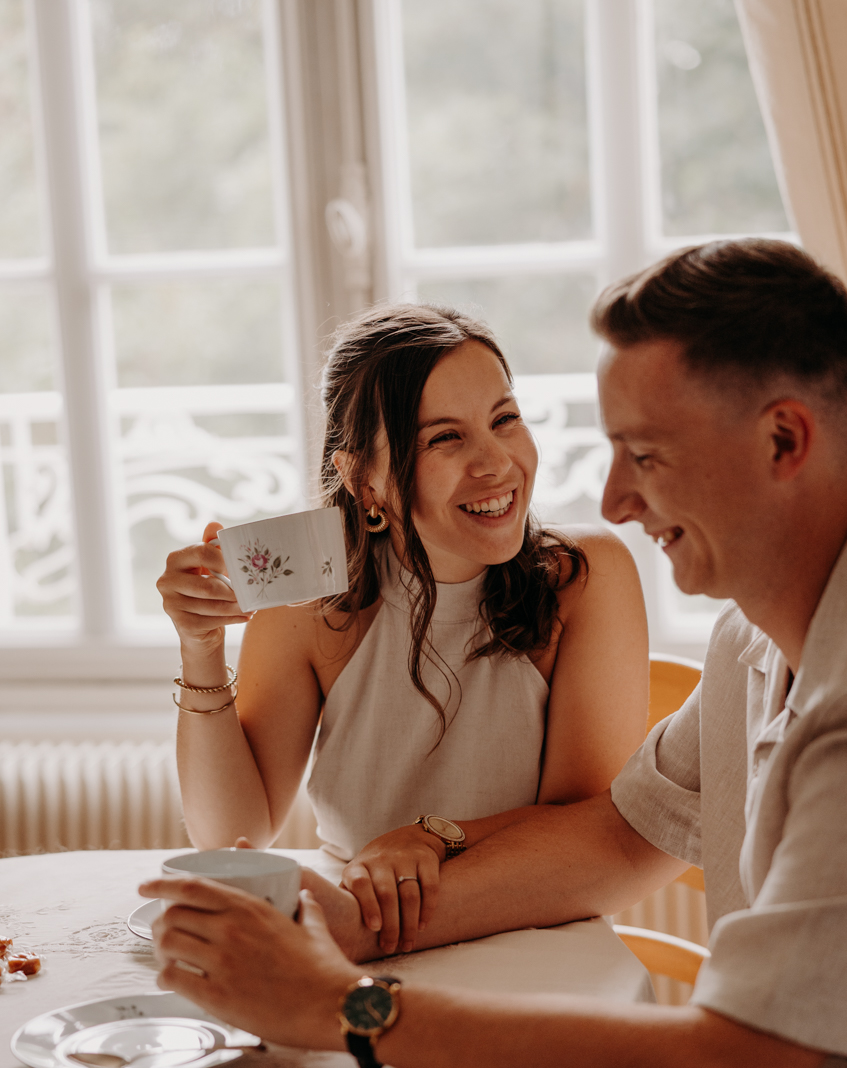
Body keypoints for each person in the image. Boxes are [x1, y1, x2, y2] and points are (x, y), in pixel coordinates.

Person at [143, 240, 847, 1068]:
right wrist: (364, 915)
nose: (607, 497)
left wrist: (342, 1005)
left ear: (782, 441)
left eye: (645, 456)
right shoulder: (764, 629)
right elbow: (620, 836)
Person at [157, 303, 648, 950]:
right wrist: (199, 647)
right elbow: (231, 837)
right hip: (358, 932)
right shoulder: (305, 600)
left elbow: (580, 829)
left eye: (504, 419)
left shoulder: (585, 577)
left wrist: (431, 835)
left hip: (530, 928)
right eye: (445, 438)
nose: (497, 461)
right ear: (363, 479)